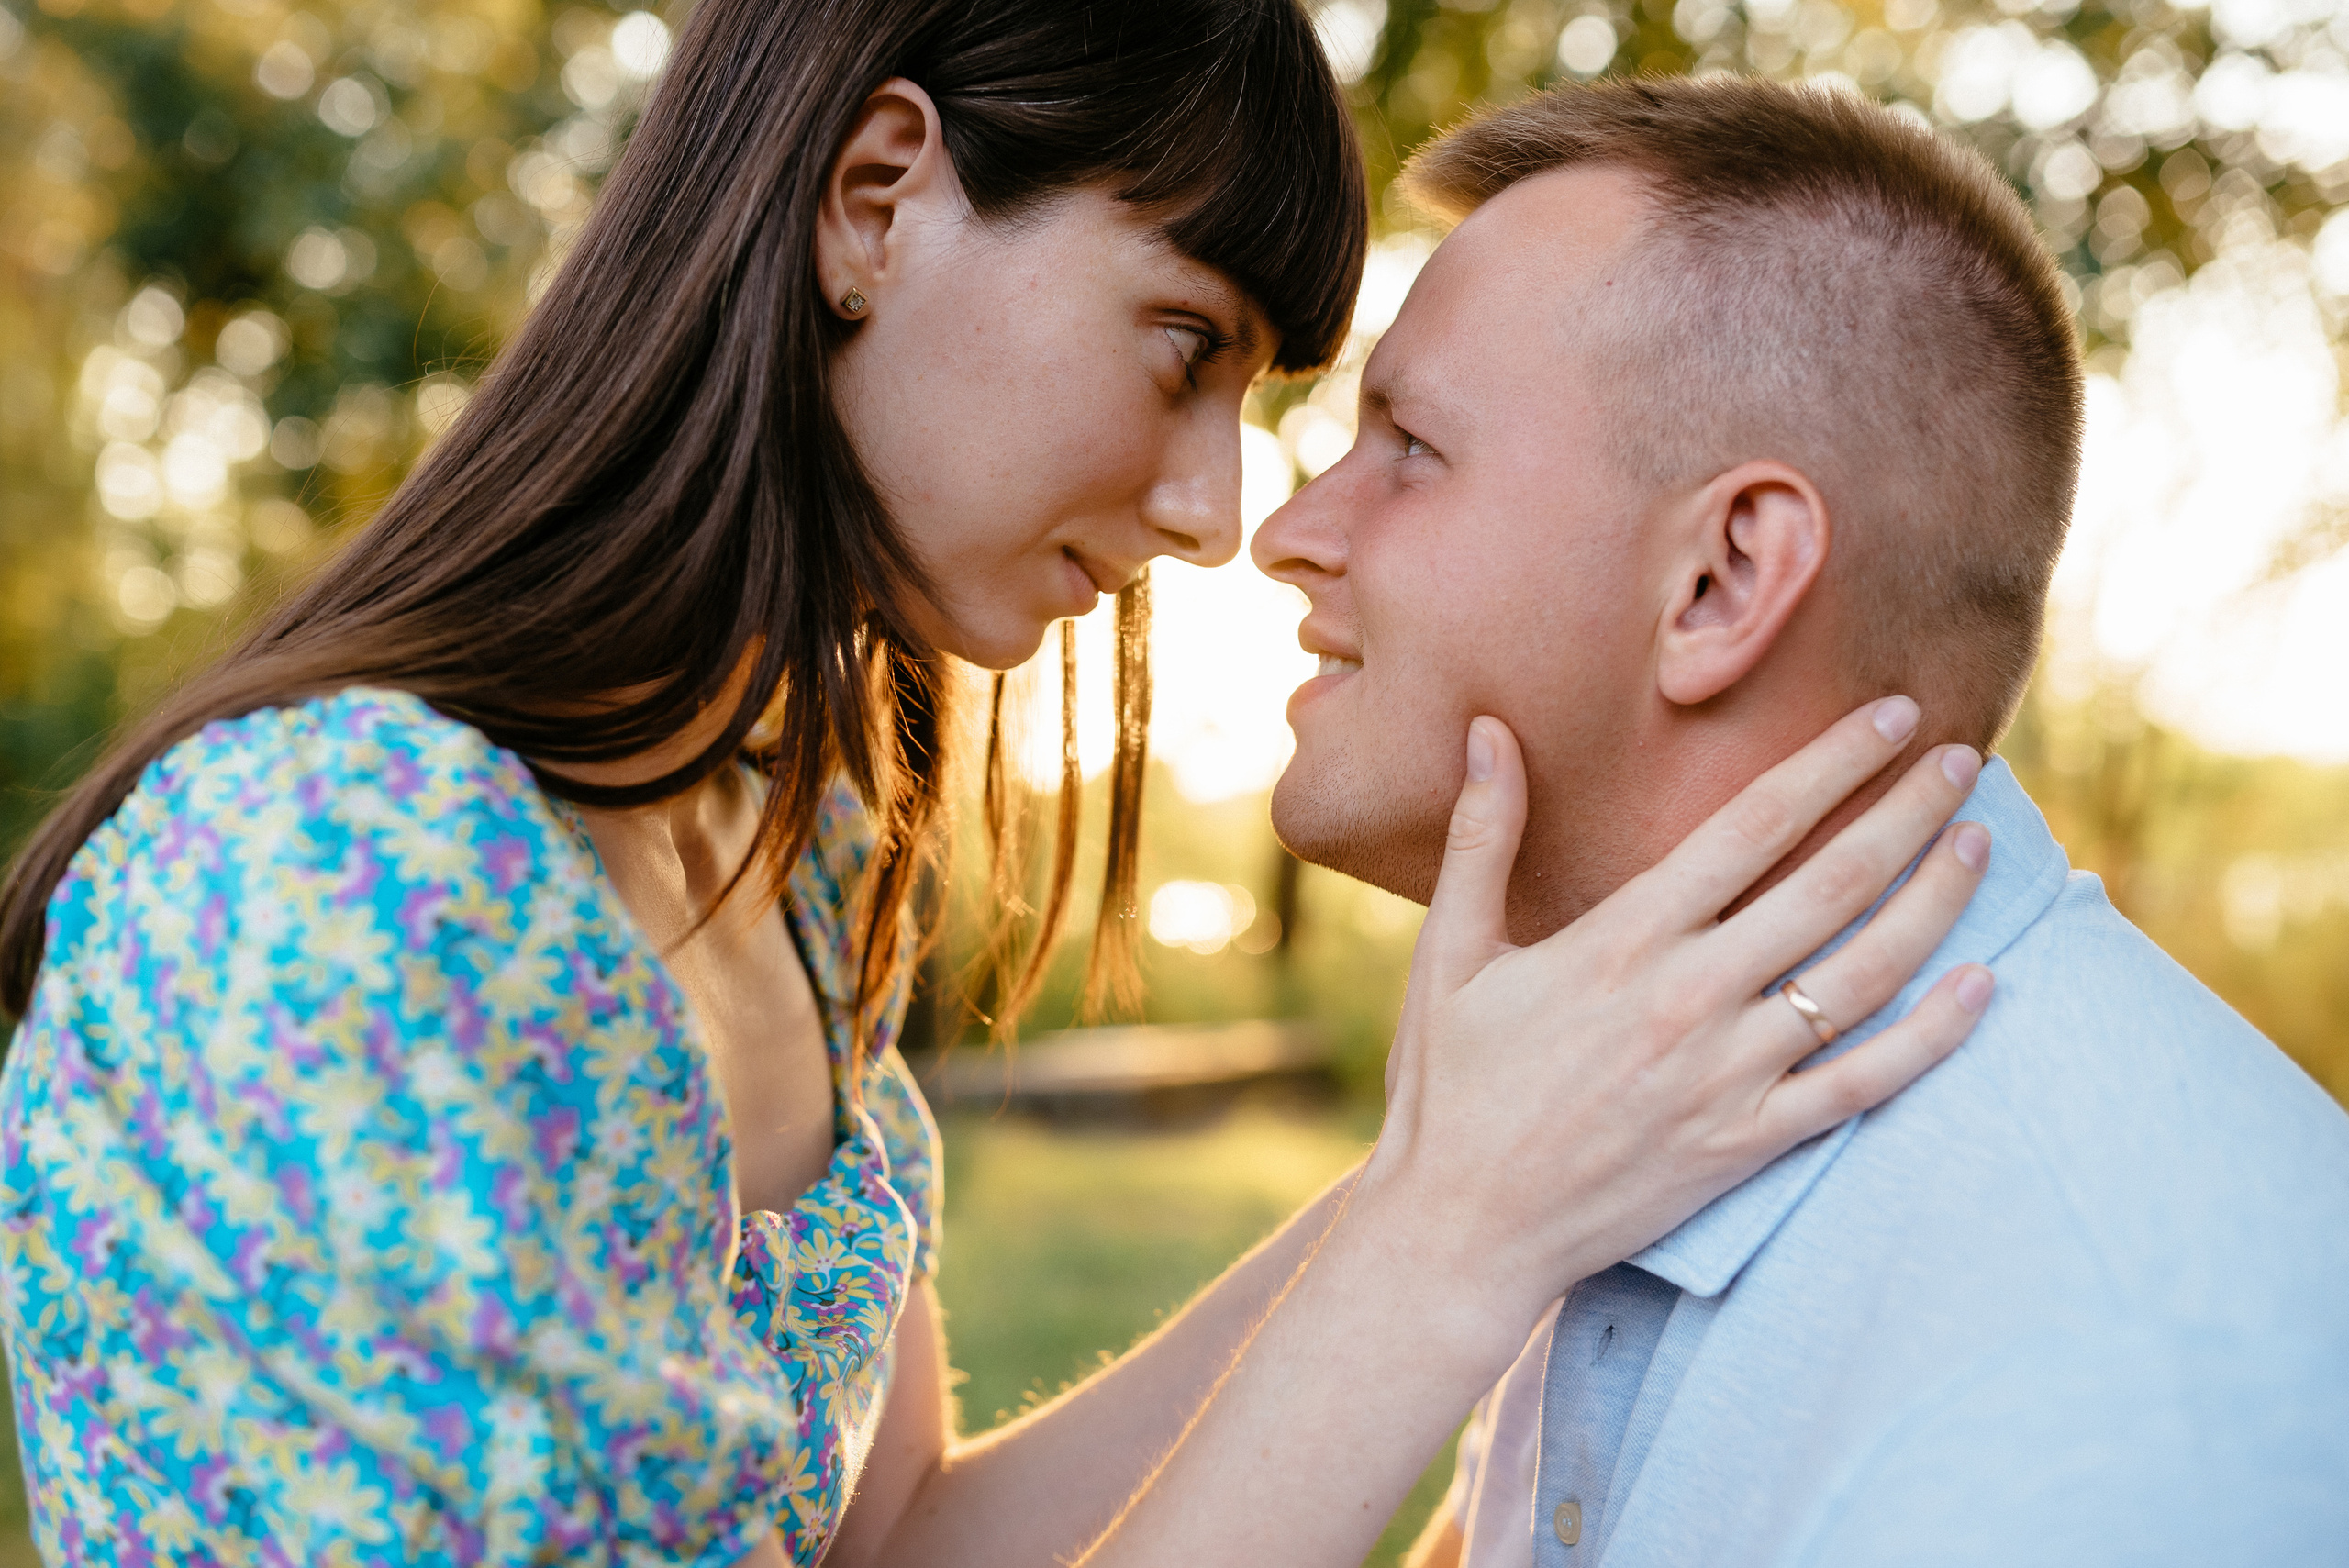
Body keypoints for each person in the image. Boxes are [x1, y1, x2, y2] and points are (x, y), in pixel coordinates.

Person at [0, 10, 2002, 1566]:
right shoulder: (341, 879)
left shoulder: (786, 851)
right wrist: (1441, 1247)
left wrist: (1443, 1170)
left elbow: (906, 1545)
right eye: (1180, 346)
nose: (1220, 511)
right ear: (876, 197)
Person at [1242, 75, 2349, 1568]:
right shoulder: (1628, 1097)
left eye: (1412, 447)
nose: (1284, 533)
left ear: (1721, 582)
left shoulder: (2111, 1414)